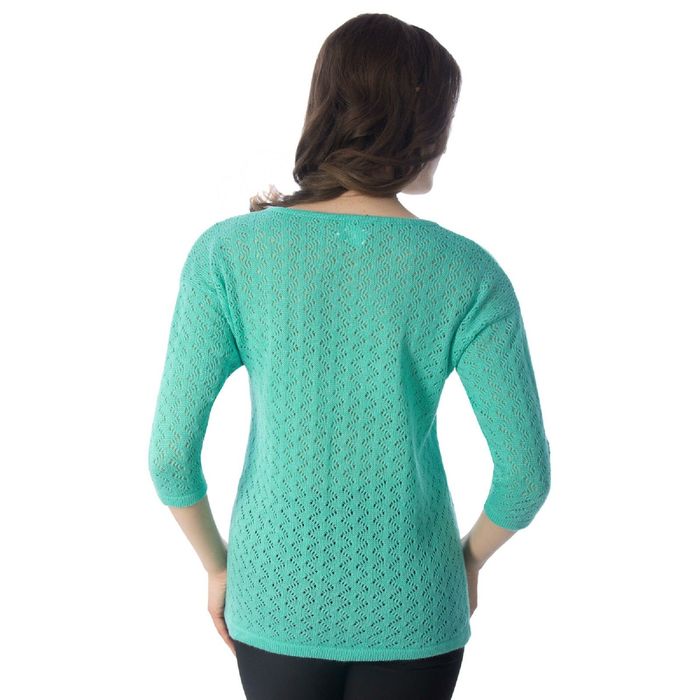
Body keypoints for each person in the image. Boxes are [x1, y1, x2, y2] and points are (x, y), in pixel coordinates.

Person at [148, 12, 551, 700]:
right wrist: (466, 562)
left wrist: (220, 567)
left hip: (274, 599)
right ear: (421, 125)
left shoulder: (227, 255)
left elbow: (168, 458)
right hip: (417, 605)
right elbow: (525, 478)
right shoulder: (468, 274)